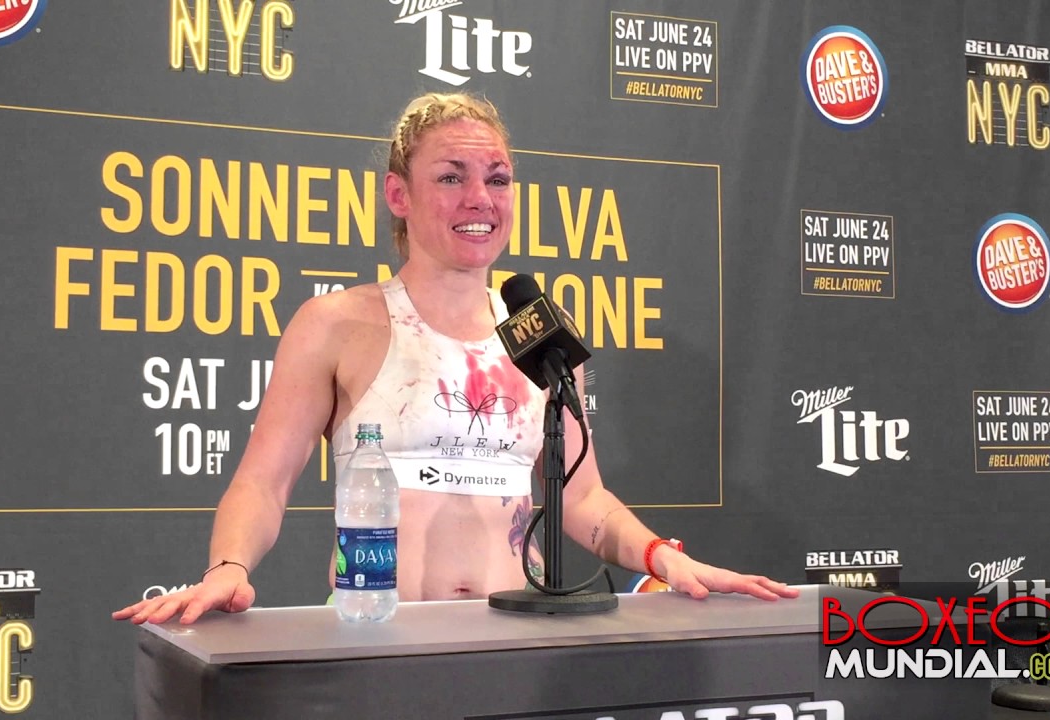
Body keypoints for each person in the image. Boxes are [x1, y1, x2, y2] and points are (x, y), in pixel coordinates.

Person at [113, 92, 798, 626]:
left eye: (498, 179)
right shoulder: (335, 325)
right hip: (377, 641)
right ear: (398, 195)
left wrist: (660, 557)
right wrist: (228, 567)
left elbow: (582, 497)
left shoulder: (541, 334)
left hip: (516, 643)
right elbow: (263, 483)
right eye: (451, 177)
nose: (480, 200)